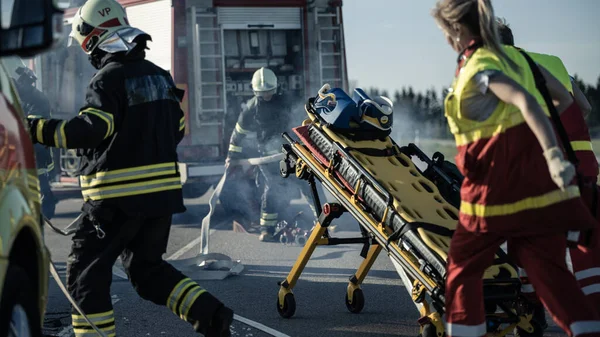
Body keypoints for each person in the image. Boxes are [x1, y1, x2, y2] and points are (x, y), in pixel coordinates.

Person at [25, 0, 233, 335]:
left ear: (93, 39)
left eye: (84, 46)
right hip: (160, 200)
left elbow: (90, 129)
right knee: (148, 273)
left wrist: (31, 128)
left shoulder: (108, 79)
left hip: (115, 203)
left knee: (85, 276)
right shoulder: (161, 77)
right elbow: (176, 128)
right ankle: (212, 315)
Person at [430, 1, 600, 336]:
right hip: (542, 192)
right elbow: (568, 102)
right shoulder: (522, 59)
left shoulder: (480, 64)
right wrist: (543, 143)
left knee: (462, 272)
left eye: (446, 33)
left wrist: (550, 150)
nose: (446, 40)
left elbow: (523, 100)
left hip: (492, 193)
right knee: (553, 275)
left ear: (459, 30)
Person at [496, 18, 600, 336]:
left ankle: (532, 313)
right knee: (585, 247)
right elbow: (582, 106)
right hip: (583, 164)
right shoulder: (550, 62)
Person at [225, 67, 303, 242]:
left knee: (307, 185)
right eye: (262, 93)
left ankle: (322, 225)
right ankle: (267, 230)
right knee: (271, 188)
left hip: (291, 153)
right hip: (267, 156)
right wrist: (232, 156)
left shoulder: (286, 102)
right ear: (255, 91)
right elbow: (238, 135)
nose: (266, 96)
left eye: (269, 92)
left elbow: (299, 122)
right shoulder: (251, 108)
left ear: (275, 88)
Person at [4, 56, 59, 219]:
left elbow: (29, 132)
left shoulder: (36, 99)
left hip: (35, 167)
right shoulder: (18, 98)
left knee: (35, 212)